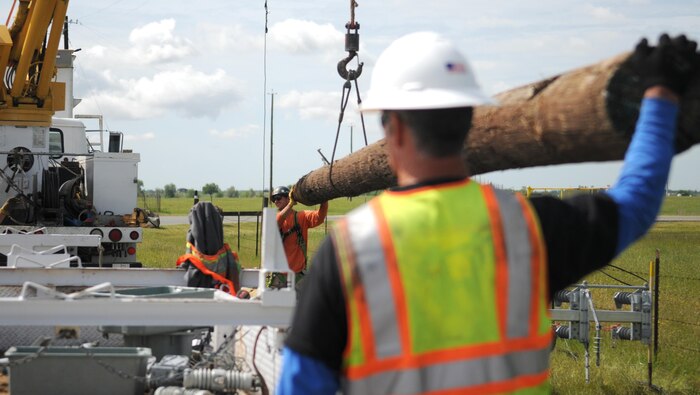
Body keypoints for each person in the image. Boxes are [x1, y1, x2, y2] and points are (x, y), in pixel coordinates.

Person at [277, 32, 698, 394]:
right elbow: (636, 203)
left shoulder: (351, 249)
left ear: (394, 128)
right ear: (469, 123)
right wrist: (660, 96)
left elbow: (300, 384)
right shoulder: (528, 229)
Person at [271, 185, 329, 286]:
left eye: (278, 198)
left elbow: (320, 217)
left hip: (298, 276)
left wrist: (324, 201)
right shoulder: (274, 218)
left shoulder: (301, 217)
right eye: (274, 199)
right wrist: (290, 204)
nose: (276, 201)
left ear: (287, 198)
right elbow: (277, 222)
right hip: (279, 277)